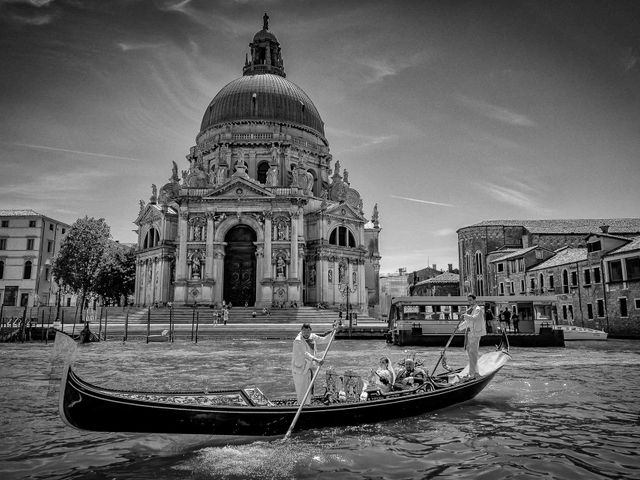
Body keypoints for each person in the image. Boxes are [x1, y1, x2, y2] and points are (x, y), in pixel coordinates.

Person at [291, 323, 333, 404]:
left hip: (308, 367)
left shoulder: (312, 336)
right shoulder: (298, 341)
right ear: (301, 331)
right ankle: (302, 405)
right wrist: (317, 360)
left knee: (309, 388)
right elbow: (305, 353)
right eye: (304, 331)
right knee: (301, 389)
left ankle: (307, 403)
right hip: (299, 369)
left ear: (310, 331)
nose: (306, 333)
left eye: (308, 331)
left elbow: (324, 339)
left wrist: (333, 332)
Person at [457, 294, 487, 380]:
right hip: (470, 334)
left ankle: (472, 374)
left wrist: (464, 315)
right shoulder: (470, 310)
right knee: (470, 353)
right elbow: (468, 322)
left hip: (475, 334)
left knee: (472, 353)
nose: (469, 302)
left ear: (474, 300)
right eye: (468, 300)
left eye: (470, 300)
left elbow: (474, 318)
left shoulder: (478, 309)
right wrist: (459, 327)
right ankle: (476, 372)